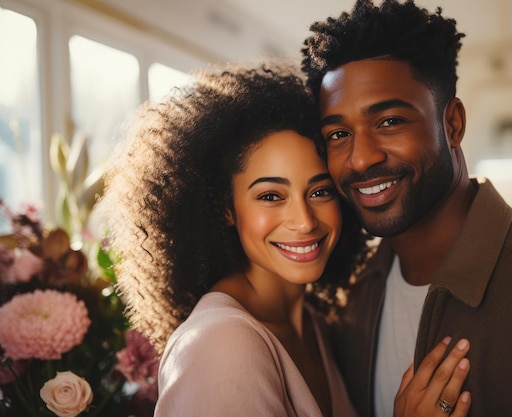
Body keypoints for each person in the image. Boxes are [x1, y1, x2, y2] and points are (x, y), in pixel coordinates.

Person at [300, 1, 512, 417]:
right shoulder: (353, 297)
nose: (360, 159)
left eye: (389, 122)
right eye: (339, 133)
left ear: (452, 124)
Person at [99, 63, 472, 417]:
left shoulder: (312, 325)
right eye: (271, 196)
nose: (304, 221)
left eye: (320, 191)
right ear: (226, 208)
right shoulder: (221, 344)